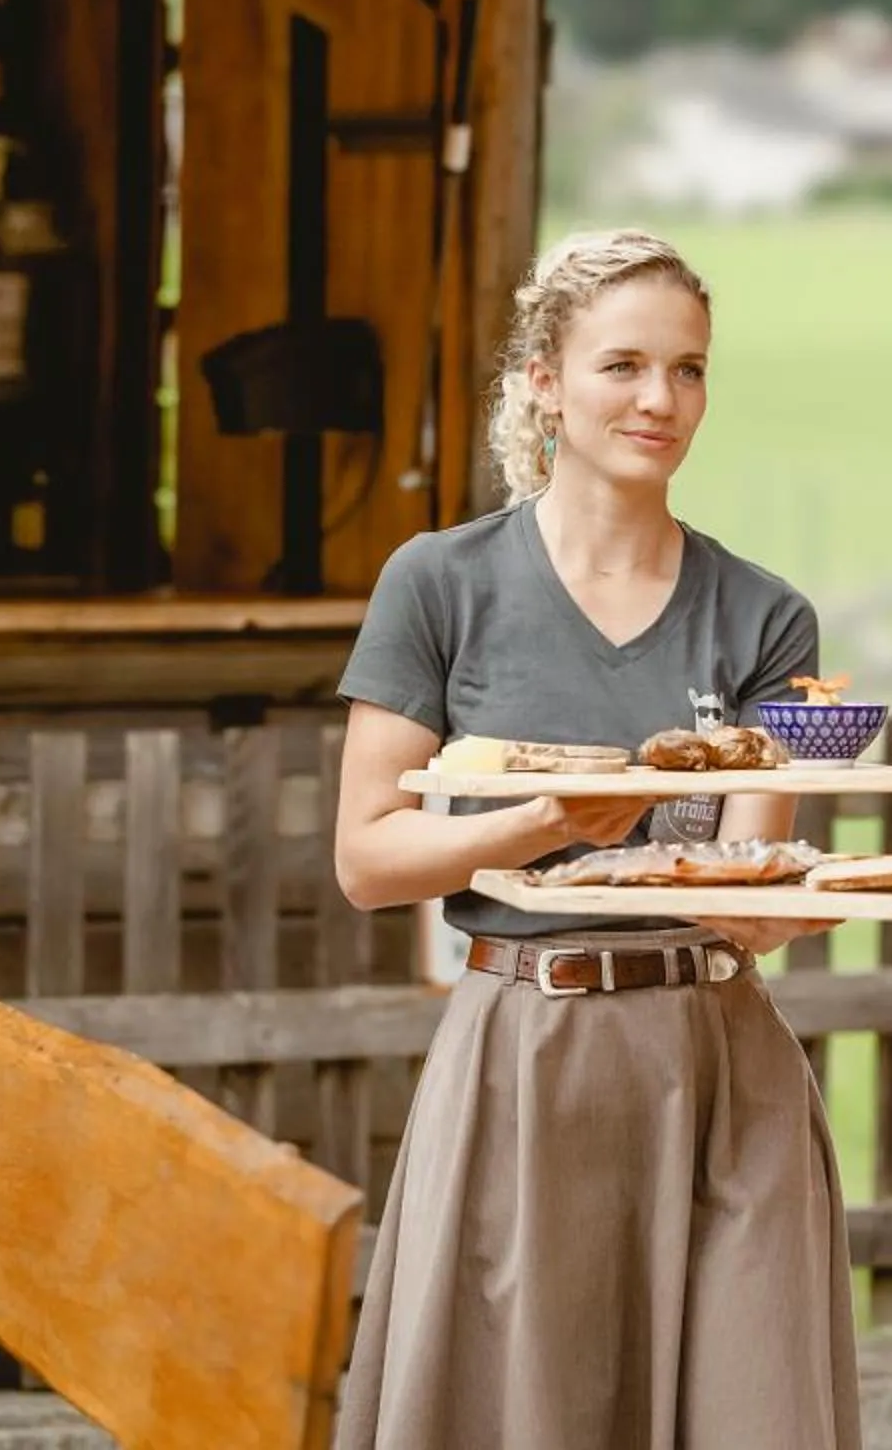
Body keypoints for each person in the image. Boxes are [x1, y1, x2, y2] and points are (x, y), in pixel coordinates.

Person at [329, 227, 857, 1449]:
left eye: (689, 369)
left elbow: (741, 884)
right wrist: (539, 823)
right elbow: (366, 854)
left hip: (721, 1061)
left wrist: (801, 897)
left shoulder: (767, 613)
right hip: (526, 1054)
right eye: (622, 364)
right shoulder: (439, 582)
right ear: (544, 379)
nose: (660, 399)